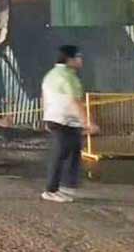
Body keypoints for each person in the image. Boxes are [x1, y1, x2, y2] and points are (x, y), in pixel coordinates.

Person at [41, 45, 98, 203]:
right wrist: (88, 122)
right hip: (63, 121)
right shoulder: (67, 77)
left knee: (72, 153)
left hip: (61, 120)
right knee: (59, 156)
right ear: (70, 59)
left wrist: (45, 116)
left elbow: (44, 98)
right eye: (78, 57)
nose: (81, 60)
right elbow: (75, 102)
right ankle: (51, 191)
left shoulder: (52, 74)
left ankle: (66, 187)